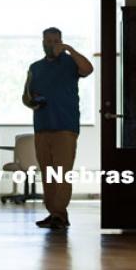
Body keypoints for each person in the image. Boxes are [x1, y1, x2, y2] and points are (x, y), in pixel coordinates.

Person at [22, 27, 94, 230]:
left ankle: (60, 213)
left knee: (62, 173)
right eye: (48, 41)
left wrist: (69, 49)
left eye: (56, 40)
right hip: (42, 126)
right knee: (47, 174)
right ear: (42, 42)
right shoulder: (35, 67)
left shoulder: (70, 63)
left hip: (65, 126)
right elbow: (25, 96)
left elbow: (88, 69)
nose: (52, 44)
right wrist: (32, 101)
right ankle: (53, 213)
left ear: (61, 42)